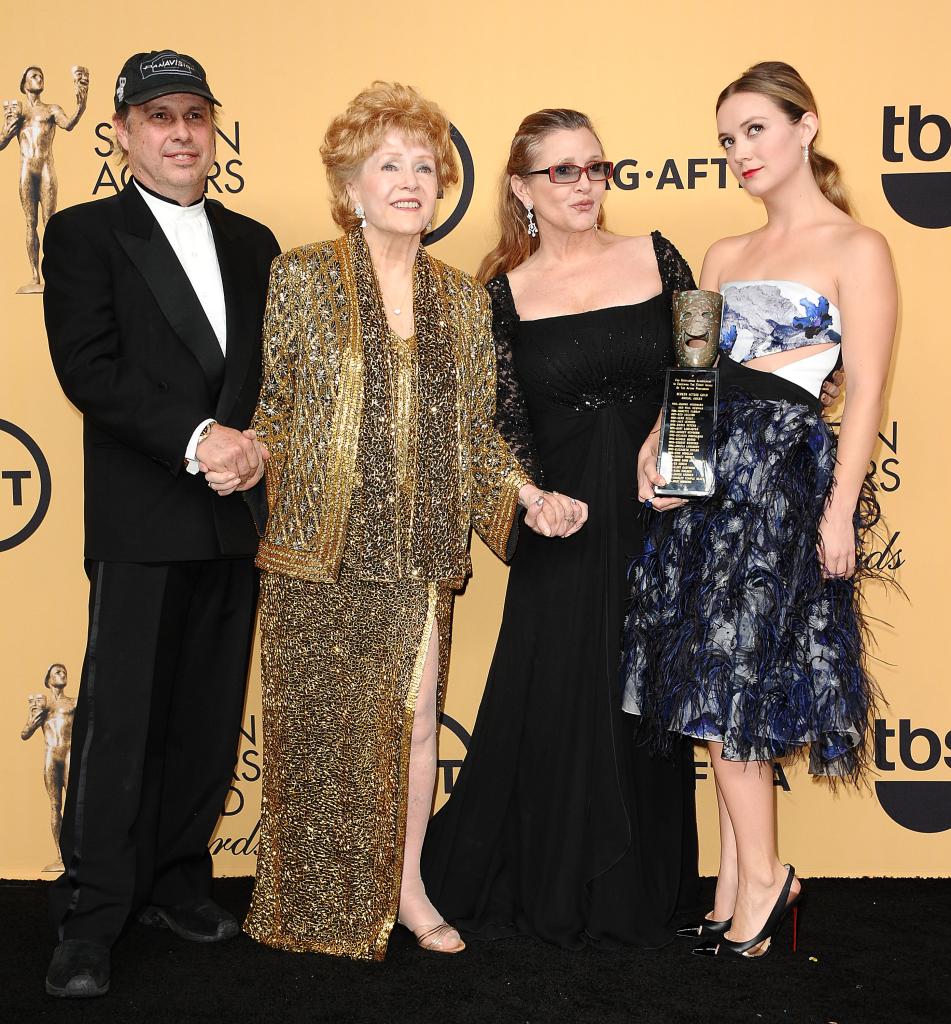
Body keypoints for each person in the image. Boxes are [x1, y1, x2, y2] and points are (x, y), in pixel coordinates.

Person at [238, 81, 572, 963]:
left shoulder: (464, 301)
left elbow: (475, 433)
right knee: (316, 733)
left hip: (419, 552)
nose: (410, 180)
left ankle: (409, 888)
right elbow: (277, 408)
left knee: (418, 723)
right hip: (319, 552)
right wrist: (248, 454)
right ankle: (304, 905)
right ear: (350, 186)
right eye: (389, 164)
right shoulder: (301, 277)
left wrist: (528, 497)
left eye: (425, 166)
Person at [622, 61, 896, 959]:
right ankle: (742, 884)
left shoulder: (857, 250)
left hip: (778, 489)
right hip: (703, 492)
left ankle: (765, 885)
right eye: (727, 139)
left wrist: (838, 510)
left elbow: (862, 399)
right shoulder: (722, 258)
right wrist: (656, 448)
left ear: (804, 127)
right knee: (707, 689)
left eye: (753, 130)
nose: (738, 152)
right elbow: (693, 381)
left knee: (734, 687)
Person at [421, 108, 702, 949]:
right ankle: (544, 880)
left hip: (657, 513)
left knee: (646, 696)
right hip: (563, 524)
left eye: (596, 168)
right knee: (551, 697)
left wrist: (676, 455)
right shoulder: (496, 296)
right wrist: (532, 501)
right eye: (563, 172)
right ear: (521, 187)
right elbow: (494, 429)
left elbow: (698, 369)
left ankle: (640, 891)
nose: (585, 186)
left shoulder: (655, 255)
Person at [42, 50, 279, 997]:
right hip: (147, 510)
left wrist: (255, 445)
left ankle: (180, 879)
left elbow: (277, 372)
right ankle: (92, 913)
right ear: (124, 134)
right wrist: (199, 440)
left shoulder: (257, 241)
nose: (180, 132)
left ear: (213, 128)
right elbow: (89, 369)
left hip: (236, 514)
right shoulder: (84, 233)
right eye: (158, 117)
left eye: (194, 115)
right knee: (121, 718)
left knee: (209, 714)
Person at [1, 65, 88, 292]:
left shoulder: (51, 109)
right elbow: (1, 143)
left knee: (50, 223)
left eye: (41, 76)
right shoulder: (18, 113)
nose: (39, 79)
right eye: (34, 76)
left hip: (46, 168)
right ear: (25, 84)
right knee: (30, 223)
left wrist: (81, 104)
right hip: (26, 170)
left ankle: (54, 274)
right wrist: (8, 127)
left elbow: (69, 124)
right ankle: (34, 275)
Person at [20, 664, 76, 872]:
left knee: (73, 805)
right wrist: (33, 721)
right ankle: (61, 855)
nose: (62, 674)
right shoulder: (42, 705)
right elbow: (24, 734)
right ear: (48, 679)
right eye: (58, 672)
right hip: (51, 756)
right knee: (55, 806)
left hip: (69, 753)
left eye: (64, 672)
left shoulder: (73, 703)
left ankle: (76, 853)